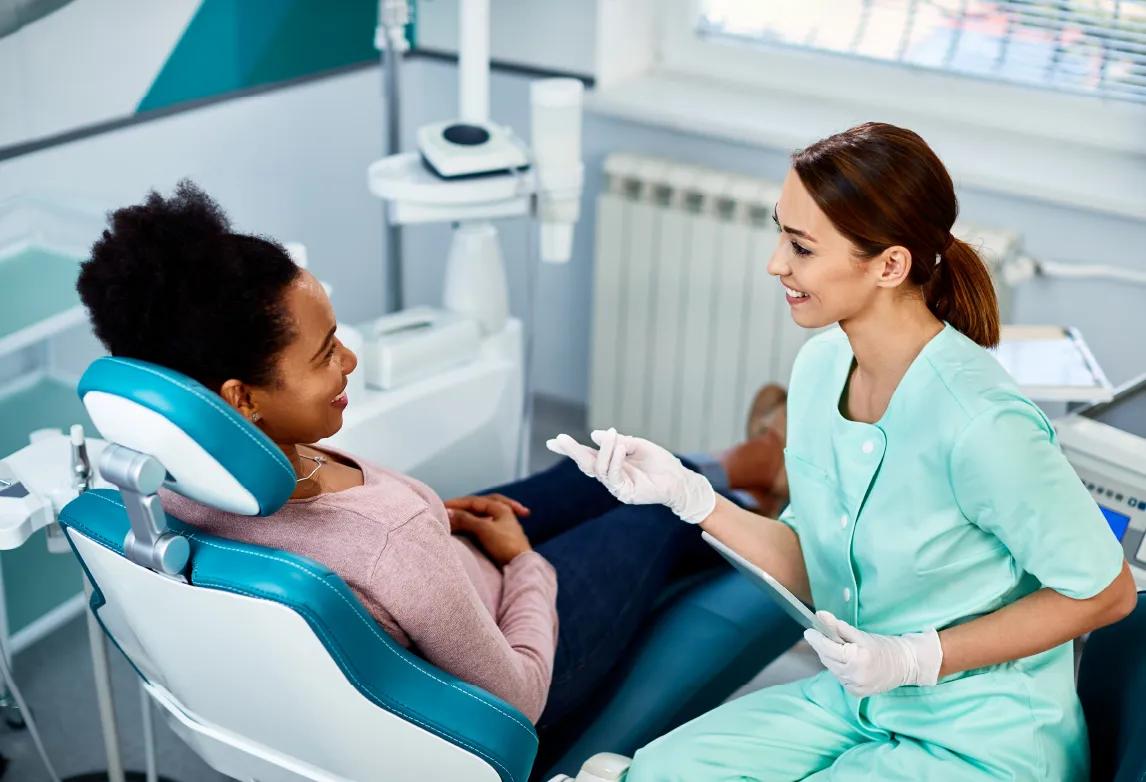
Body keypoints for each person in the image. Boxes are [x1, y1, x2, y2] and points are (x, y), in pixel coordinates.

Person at [74, 181, 790, 770]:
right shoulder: (393, 542)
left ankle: (751, 465)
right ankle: (792, 513)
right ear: (242, 398)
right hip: (514, 647)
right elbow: (518, 700)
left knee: (605, 462)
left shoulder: (166, 487)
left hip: (435, 569)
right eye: (325, 353)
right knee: (654, 507)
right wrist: (523, 564)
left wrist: (426, 520)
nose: (349, 360)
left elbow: (354, 549)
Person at [548, 122, 1138, 781]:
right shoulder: (821, 368)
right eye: (781, 233)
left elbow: (1106, 594)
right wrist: (691, 498)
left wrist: (918, 658)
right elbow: (812, 565)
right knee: (648, 773)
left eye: (800, 246)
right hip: (861, 703)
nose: (776, 263)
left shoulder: (982, 423)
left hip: (983, 736)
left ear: (890, 265)